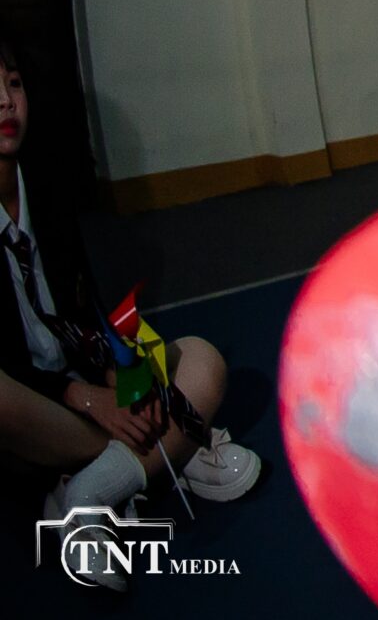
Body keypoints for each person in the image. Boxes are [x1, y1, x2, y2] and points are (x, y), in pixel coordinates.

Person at [2, 40, 261, 591]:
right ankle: (175, 450)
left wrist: (122, 376)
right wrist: (86, 398)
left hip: (86, 383)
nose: (5, 101)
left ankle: (88, 493)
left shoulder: (43, 189)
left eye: (14, 84)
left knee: (203, 359)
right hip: (37, 405)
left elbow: (87, 308)